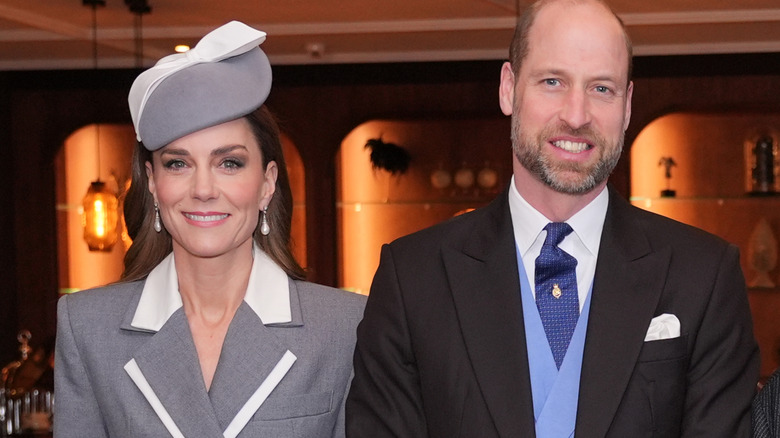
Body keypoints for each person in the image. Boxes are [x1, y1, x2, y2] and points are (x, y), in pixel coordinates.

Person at [345, 0, 759, 436]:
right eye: (552, 82)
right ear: (508, 88)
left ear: (627, 105)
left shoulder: (704, 275)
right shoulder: (413, 277)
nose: (576, 116)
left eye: (602, 88)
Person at [54, 21, 365, 438]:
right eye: (178, 164)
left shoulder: (345, 326)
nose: (202, 190)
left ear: (267, 183)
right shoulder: (87, 326)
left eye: (229, 163)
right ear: (152, 182)